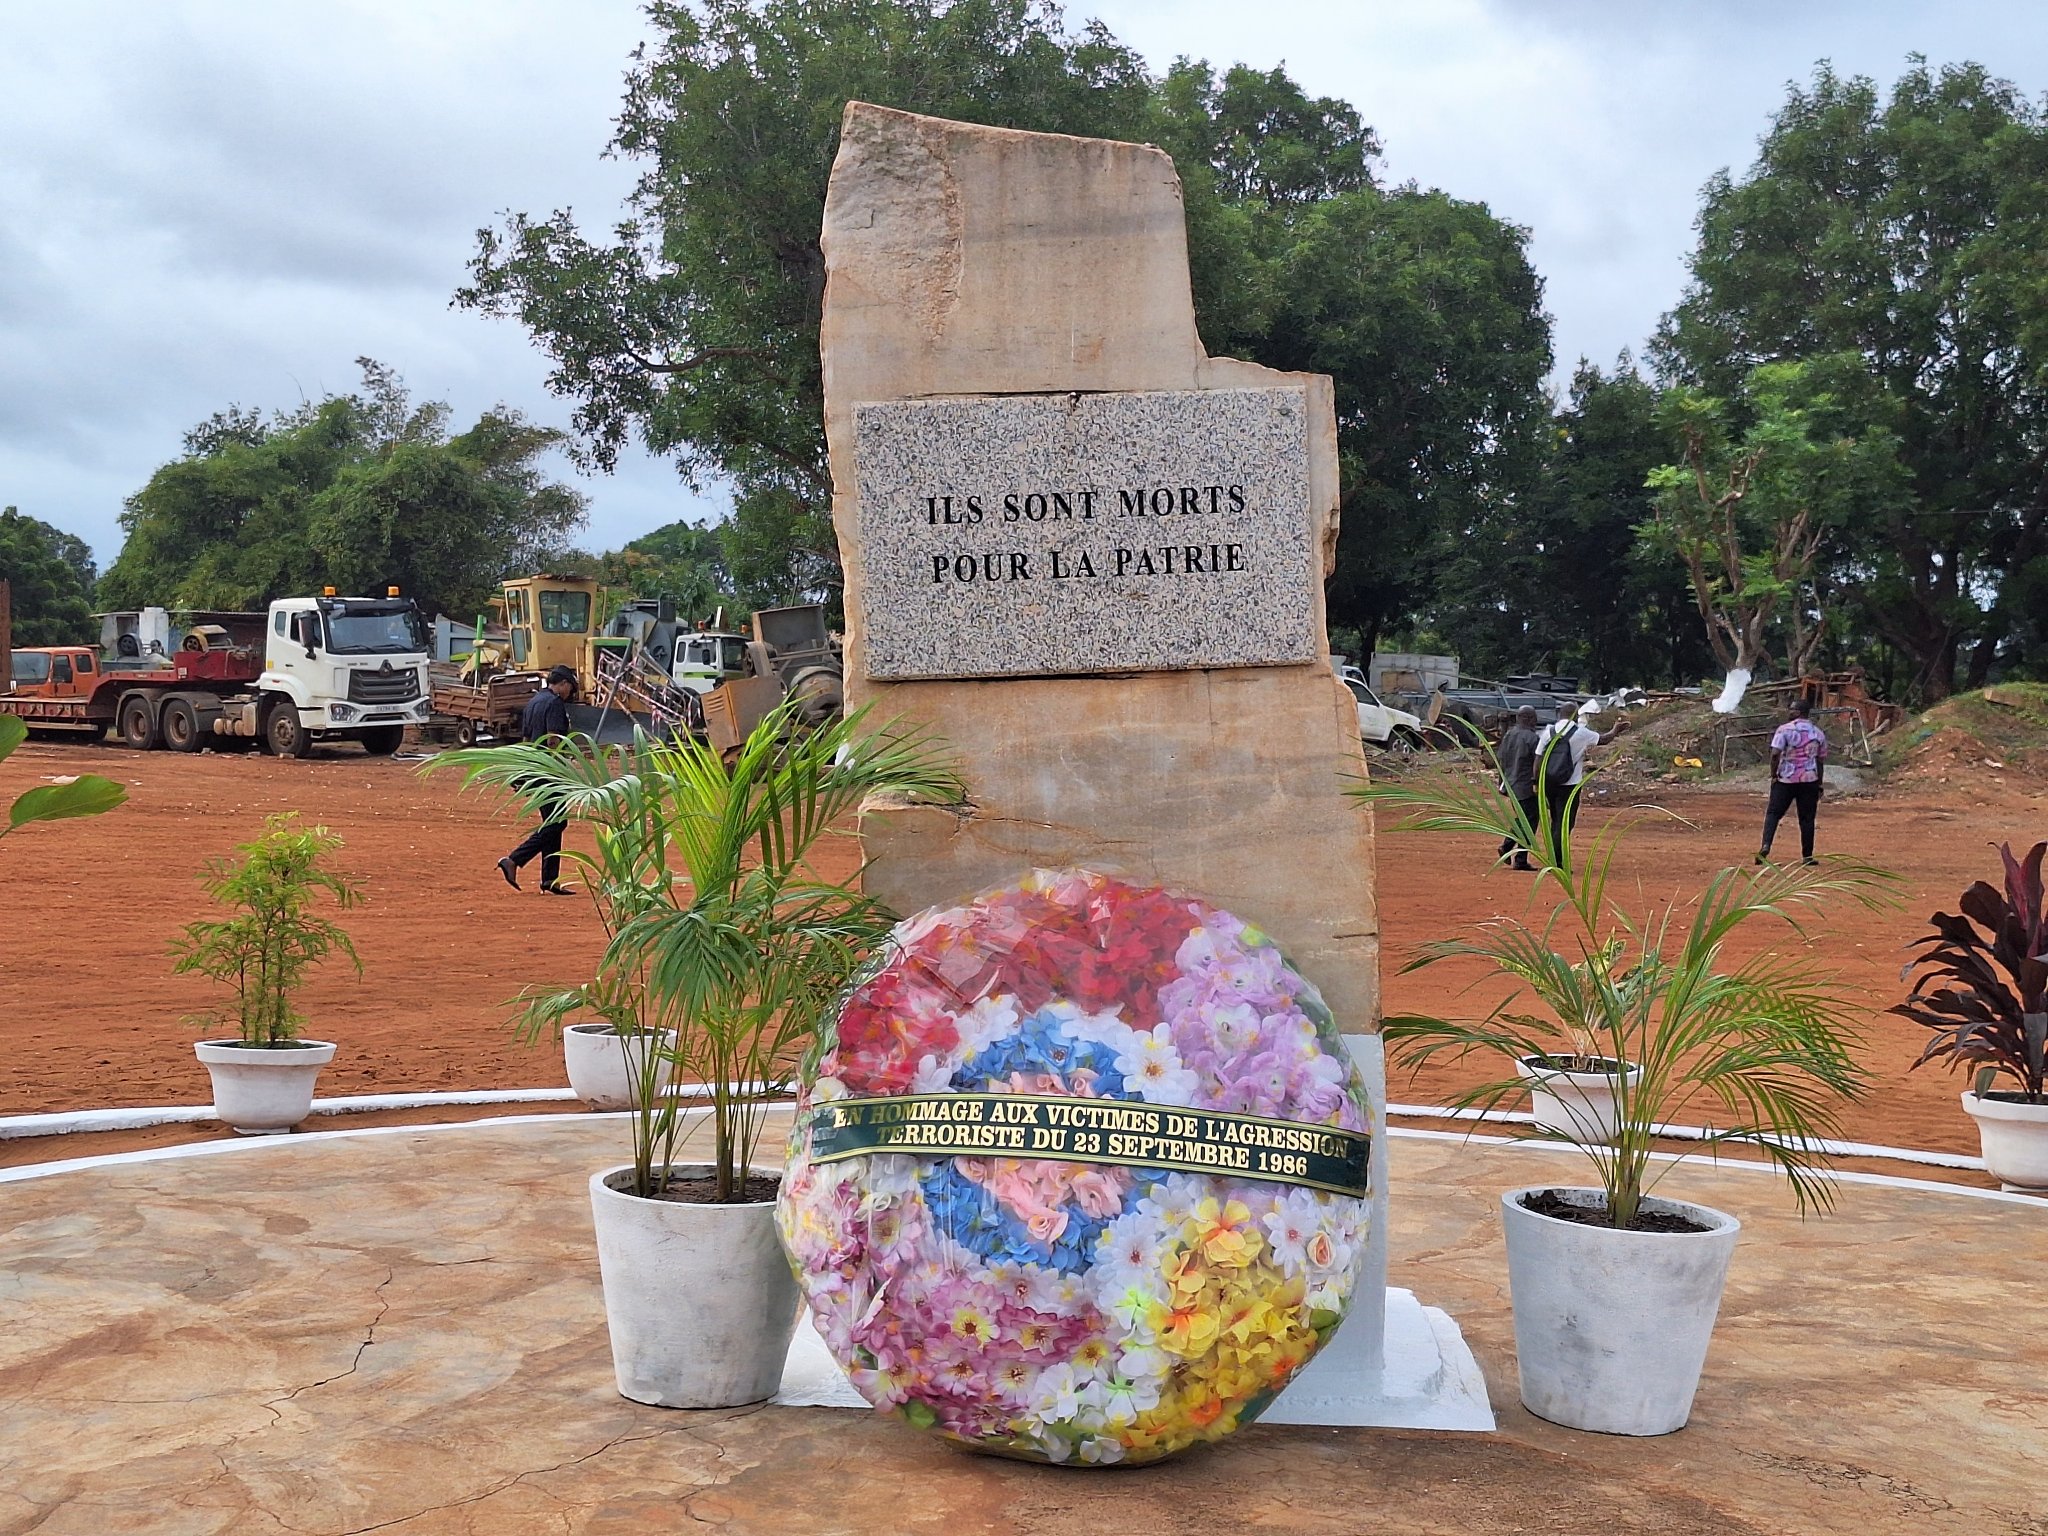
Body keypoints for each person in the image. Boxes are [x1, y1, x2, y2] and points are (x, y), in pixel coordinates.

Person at [497, 665, 578, 896]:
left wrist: (522, 772)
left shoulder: (534, 702)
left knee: (553, 823)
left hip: (534, 769)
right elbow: (553, 740)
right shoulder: (553, 703)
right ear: (562, 683)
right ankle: (513, 859)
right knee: (557, 823)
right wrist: (561, 768)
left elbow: (525, 739)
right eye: (569, 687)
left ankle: (550, 880)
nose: (569, 693)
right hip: (548, 771)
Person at [1535, 702, 1627, 864]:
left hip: (1549, 783)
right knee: (1565, 823)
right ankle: (1557, 861)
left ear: (1559, 714)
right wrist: (1616, 730)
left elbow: (1538, 759)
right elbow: (1604, 739)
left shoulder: (1547, 732)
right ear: (1576, 715)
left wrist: (1536, 783)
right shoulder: (1581, 733)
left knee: (1555, 820)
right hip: (1570, 784)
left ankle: (1553, 855)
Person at [1758, 698, 1827, 865]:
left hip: (1785, 779)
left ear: (1798, 712)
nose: (1789, 711)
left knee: (1774, 813)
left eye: (1791, 709)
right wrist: (1819, 783)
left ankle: (1766, 845)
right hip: (1809, 780)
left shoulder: (1784, 730)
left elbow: (1775, 754)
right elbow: (1820, 760)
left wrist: (1774, 774)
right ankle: (1807, 856)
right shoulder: (1817, 733)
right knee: (1807, 818)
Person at [1495, 706, 1542, 871]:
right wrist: (1537, 783)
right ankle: (1511, 850)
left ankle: (1515, 853)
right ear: (1528, 718)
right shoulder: (1532, 738)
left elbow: (1501, 760)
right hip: (1526, 785)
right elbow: (1538, 764)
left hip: (1511, 783)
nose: (1536, 721)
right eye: (1534, 718)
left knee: (1523, 818)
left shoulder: (1509, 735)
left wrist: (1501, 783)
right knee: (1529, 820)